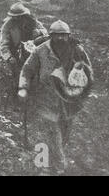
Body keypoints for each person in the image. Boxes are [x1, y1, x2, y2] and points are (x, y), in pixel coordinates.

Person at [18, 20, 93, 174]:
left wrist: (83, 89)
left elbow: (88, 71)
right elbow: (27, 70)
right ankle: (52, 166)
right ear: (51, 35)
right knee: (51, 131)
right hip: (46, 97)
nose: (60, 38)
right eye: (56, 35)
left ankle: (54, 155)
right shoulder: (40, 51)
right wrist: (23, 88)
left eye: (63, 35)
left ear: (68, 36)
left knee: (65, 131)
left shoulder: (77, 50)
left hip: (69, 99)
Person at [0, 2, 48, 106]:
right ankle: (17, 101)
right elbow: (4, 44)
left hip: (32, 51)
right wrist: (9, 57)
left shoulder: (32, 21)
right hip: (16, 54)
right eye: (15, 17)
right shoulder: (7, 26)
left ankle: (35, 99)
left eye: (20, 17)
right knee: (17, 77)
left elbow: (45, 32)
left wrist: (38, 32)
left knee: (36, 74)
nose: (18, 19)